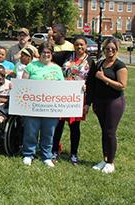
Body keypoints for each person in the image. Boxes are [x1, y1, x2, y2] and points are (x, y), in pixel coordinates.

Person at [51, 35, 95, 165]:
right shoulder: (66, 55)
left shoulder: (91, 61)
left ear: (86, 46)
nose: (79, 47)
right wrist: (50, 38)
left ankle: (74, 154)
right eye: (77, 44)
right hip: (62, 96)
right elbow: (48, 53)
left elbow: (92, 84)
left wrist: (88, 103)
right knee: (58, 125)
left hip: (78, 98)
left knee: (74, 127)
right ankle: (54, 151)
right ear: (73, 45)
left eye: (82, 44)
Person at [21, 42, 64, 167]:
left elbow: (63, 87)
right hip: (33, 105)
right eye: (44, 52)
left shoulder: (56, 68)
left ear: (52, 54)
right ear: (39, 53)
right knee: (31, 131)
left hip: (50, 107)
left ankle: (46, 156)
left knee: (49, 132)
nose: (46, 54)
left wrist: (79, 88)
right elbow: (23, 84)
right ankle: (28, 154)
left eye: (49, 52)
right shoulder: (31, 66)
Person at [89, 37, 128, 174]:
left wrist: (104, 78)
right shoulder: (100, 64)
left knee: (110, 132)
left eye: (112, 48)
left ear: (116, 50)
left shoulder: (119, 65)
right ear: (104, 49)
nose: (109, 51)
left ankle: (111, 163)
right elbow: (93, 85)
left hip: (114, 102)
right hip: (100, 102)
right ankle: (105, 159)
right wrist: (92, 102)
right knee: (104, 131)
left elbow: (122, 85)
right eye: (107, 48)